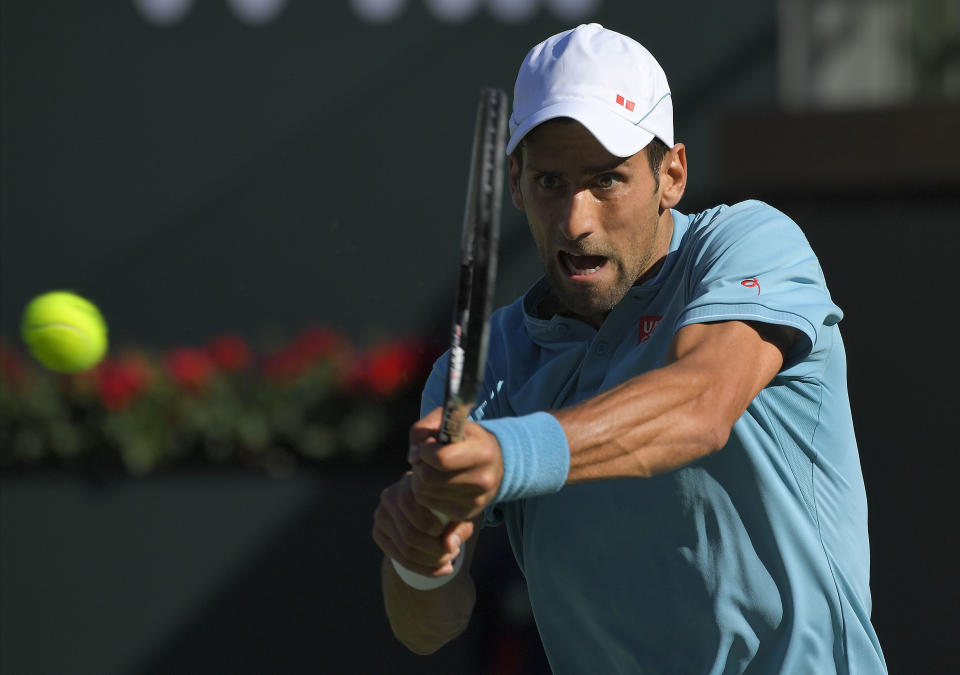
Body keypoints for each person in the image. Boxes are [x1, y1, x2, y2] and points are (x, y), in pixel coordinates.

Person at [372, 23, 887, 674]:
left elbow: (703, 402)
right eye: (550, 182)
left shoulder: (750, 243)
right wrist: (420, 558)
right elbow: (427, 625)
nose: (576, 219)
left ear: (671, 174)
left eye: (607, 180)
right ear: (515, 180)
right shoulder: (489, 364)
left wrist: (509, 453)